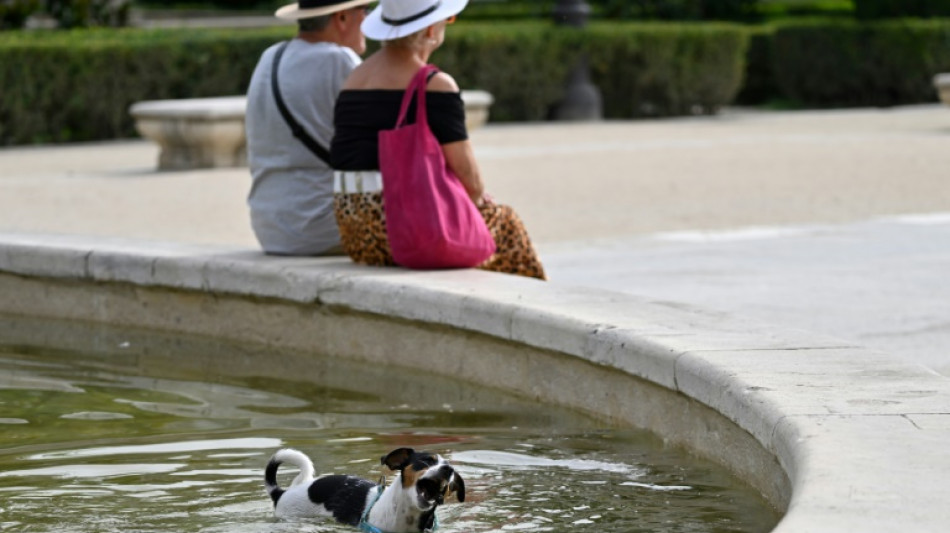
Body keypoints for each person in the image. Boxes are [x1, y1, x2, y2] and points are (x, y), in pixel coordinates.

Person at [330, 0, 546, 280]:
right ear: (431, 30)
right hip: (400, 227)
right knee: (506, 225)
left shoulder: (354, 79)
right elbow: (470, 179)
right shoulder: (435, 84)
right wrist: (479, 203)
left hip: (355, 229)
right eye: (449, 19)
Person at [245, 0, 374, 256]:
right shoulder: (339, 60)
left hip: (270, 228)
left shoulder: (271, 55)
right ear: (342, 18)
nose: (368, 20)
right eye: (364, 11)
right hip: (321, 228)